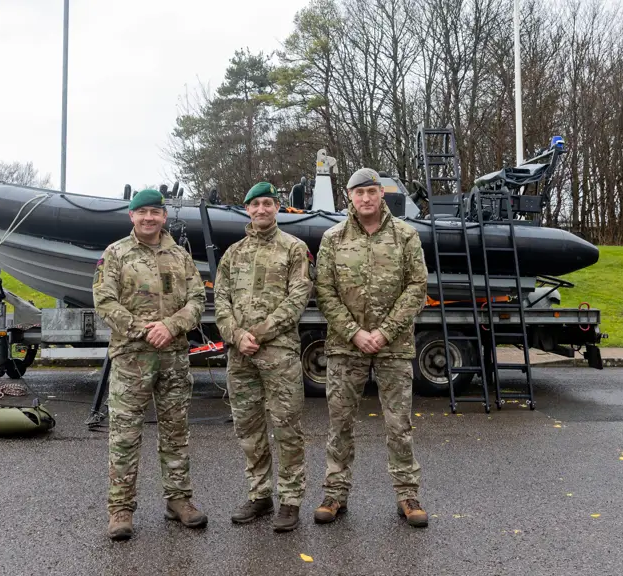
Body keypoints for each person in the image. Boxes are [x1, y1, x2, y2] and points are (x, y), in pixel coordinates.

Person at [312, 168, 430, 528]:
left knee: (399, 424)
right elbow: (325, 291)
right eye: (359, 193)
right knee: (340, 423)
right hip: (346, 348)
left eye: (371, 192)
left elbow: (416, 287)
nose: (365, 198)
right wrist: (354, 333)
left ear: (382, 195)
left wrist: (385, 331)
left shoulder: (405, 236)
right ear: (349, 196)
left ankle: (407, 495)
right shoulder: (332, 239)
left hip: (393, 347)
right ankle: (335, 494)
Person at [93, 188, 207, 541]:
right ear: (131, 216)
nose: (148, 218)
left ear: (163, 216)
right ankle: (121, 508)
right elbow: (104, 300)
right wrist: (144, 331)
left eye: (154, 213)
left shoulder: (179, 255)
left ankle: (179, 500)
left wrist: (171, 326)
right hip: (132, 358)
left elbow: (198, 298)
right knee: (125, 435)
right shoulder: (116, 254)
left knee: (176, 431)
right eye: (141, 212)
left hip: (173, 357)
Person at [214, 181, 313, 533]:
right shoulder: (233, 253)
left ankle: (290, 499)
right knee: (248, 427)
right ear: (247, 209)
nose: (261, 210)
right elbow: (220, 301)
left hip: (279, 353)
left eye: (267, 203)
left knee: (287, 427)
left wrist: (261, 331)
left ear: (277, 207)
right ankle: (260, 494)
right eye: (254, 204)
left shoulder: (294, 249)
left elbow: (298, 297)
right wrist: (237, 335)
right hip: (240, 355)